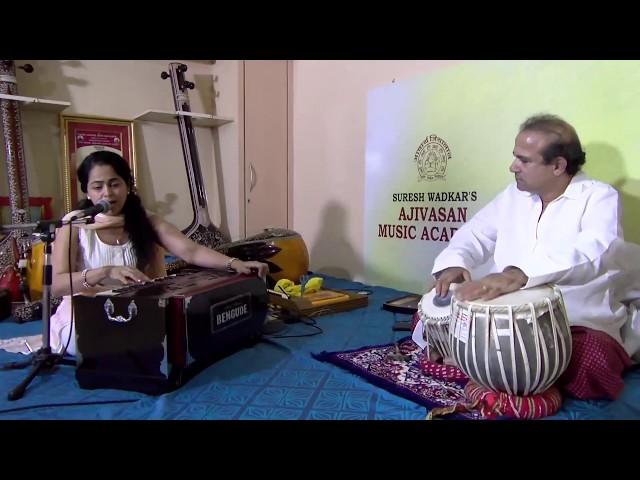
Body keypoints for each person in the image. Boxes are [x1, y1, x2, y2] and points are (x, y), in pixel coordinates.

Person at [431, 113, 640, 401]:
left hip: (574, 320)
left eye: (524, 160)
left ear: (558, 165)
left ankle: (491, 368)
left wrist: (517, 274)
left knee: (591, 364)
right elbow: (475, 234)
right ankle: (505, 368)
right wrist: (454, 262)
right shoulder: (512, 196)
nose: (512, 166)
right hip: (505, 316)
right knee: (429, 317)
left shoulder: (598, 197)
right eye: (515, 157)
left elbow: (595, 250)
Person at [50, 150, 269, 356]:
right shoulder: (73, 225)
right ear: (87, 192)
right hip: (85, 307)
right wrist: (105, 272)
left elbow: (190, 251)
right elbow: (58, 286)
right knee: (83, 342)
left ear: (128, 186)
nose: (107, 193)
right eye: (97, 187)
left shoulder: (146, 220)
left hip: (135, 307)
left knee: (183, 330)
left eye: (114, 184)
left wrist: (235, 263)